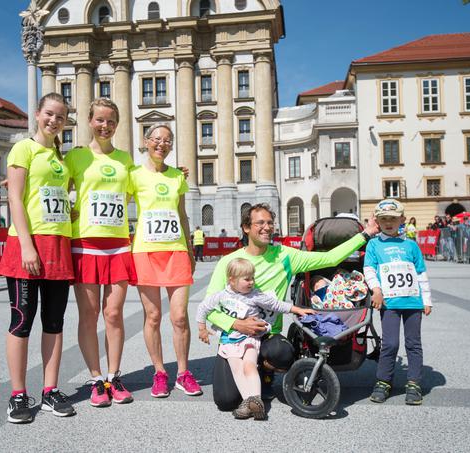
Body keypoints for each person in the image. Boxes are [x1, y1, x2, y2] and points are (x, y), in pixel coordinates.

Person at [205, 203, 380, 411]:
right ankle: (251, 372)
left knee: (283, 353)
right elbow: (210, 308)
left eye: (270, 223)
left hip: (268, 334)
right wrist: (236, 324)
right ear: (246, 227)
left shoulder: (285, 255)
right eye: (260, 223)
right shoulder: (229, 262)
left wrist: (366, 234)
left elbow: (329, 258)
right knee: (226, 401)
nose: (267, 227)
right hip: (236, 336)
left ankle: (266, 373)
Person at [0, 93, 75, 424]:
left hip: (58, 246)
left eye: (60, 117)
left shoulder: (64, 159)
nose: (53, 121)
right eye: (49, 114)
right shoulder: (23, 149)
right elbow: (14, 197)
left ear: (65, 123)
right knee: (22, 321)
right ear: (37, 114)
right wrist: (27, 246)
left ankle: (50, 391)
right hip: (26, 247)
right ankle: (17, 394)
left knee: (54, 324)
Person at [64, 98, 136, 407]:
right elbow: (53, 185)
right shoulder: (76, 157)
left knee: (114, 314)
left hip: (118, 245)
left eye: (110, 121)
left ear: (117, 125)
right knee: (89, 315)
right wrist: (69, 211)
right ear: (89, 121)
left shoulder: (125, 159)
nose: (104, 125)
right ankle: (95, 378)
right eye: (99, 120)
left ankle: (114, 376)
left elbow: (143, 186)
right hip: (86, 245)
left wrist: (174, 173)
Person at [130, 123, 201, 398]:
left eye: (168, 140)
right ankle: (159, 372)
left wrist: (189, 248)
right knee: (153, 316)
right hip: (145, 251)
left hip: (175, 251)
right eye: (157, 139)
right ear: (146, 142)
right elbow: (114, 199)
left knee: (180, 317)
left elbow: (182, 215)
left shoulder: (177, 177)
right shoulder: (133, 175)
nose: (162, 143)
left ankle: (183, 373)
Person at [196, 258, 314, 420]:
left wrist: (297, 310)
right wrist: (202, 328)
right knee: (237, 370)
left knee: (249, 366)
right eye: (247, 279)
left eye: (252, 277)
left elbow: (276, 305)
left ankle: (256, 400)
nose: (252, 282)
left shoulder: (255, 295)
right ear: (232, 280)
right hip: (230, 341)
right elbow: (203, 307)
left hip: (251, 339)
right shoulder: (221, 296)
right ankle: (248, 402)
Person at [363, 199, 433, 406]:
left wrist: (427, 299)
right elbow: (369, 269)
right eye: (383, 219)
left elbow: (420, 273)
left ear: (402, 219)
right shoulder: (374, 244)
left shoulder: (411, 245)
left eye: (393, 219)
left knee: (413, 343)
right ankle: (383, 381)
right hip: (389, 303)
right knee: (390, 344)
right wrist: (376, 290)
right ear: (377, 221)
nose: (388, 223)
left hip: (413, 301)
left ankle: (414, 383)